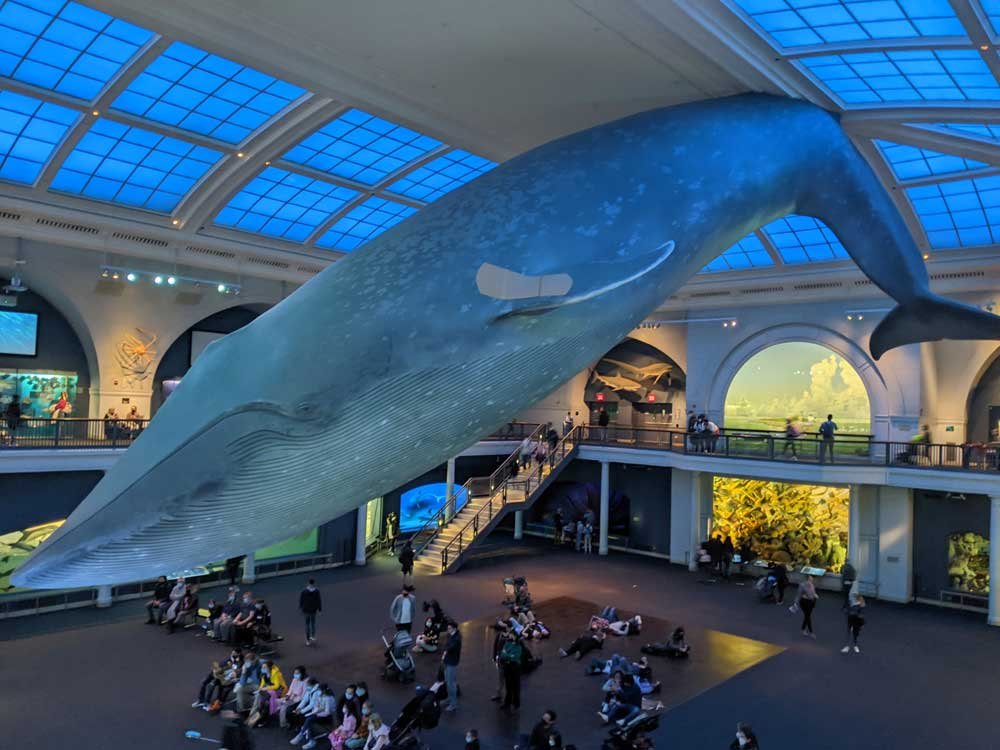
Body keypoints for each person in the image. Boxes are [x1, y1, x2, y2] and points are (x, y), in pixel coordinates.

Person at [293, 683, 336, 749]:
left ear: (323, 690)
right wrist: (315, 711)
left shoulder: (328, 698)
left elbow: (327, 712)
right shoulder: (321, 695)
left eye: (319, 690)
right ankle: (308, 737)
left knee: (309, 720)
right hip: (319, 713)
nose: (318, 692)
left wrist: (317, 714)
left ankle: (304, 736)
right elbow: (317, 705)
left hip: (326, 717)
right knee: (309, 718)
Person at [499, 631, 524, 712]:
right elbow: (502, 654)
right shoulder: (507, 643)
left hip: (515, 668)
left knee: (515, 687)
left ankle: (516, 704)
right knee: (508, 686)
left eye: (511, 635)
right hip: (508, 667)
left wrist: (507, 655)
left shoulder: (519, 646)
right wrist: (509, 655)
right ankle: (507, 703)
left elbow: (515, 657)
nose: (510, 636)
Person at [441, 619, 462, 712]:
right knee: (447, 681)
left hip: (452, 662)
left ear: (454, 628)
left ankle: (453, 704)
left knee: (451, 684)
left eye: (449, 628)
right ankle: (449, 699)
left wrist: (446, 649)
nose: (448, 630)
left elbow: (449, 647)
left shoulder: (456, 638)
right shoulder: (452, 635)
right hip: (448, 661)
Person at [842, 582, 866, 654]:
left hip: (856, 620)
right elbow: (848, 610)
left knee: (855, 633)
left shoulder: (860, 604)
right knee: (849, 632)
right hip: (851, 619)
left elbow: (861, 614)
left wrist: (862, 624)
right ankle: (847, 646)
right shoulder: (851, 603)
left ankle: (855, 645)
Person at [299, 578, 322, 646]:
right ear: (314, 583)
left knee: (307, 625)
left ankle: (308, 640)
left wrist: (301, 608)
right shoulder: (317, 591)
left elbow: (301, 600)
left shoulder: (304, 591)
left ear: (308, 583)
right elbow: (319, 601)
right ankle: (313, 636)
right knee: (313, 623)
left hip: (306, 610)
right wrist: (319, 609)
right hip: (313, 610)